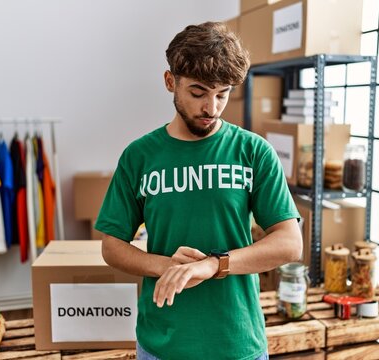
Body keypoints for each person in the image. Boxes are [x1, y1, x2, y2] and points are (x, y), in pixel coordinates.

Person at [95, 21, 302, 360]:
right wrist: (167, 267)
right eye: (198, 93)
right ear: (170, 82)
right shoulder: (139, 156)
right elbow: (112, 246)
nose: (211, 108)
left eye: (222, 94)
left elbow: (289, 243)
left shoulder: (253, 152)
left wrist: (213, 265)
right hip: (162, 346)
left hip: (238, 344)